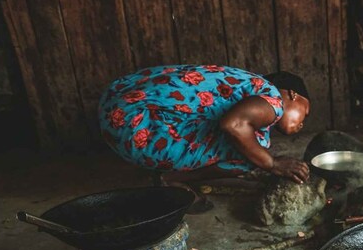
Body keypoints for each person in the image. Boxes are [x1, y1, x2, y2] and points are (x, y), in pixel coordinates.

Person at [98, 65, 311, 209]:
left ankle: (166, 178)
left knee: (253, 144)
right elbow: (234, 124)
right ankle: (170, 180)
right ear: (293, 94)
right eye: (305, 113)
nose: (302, 123)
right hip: (133, 125)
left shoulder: (245, 84)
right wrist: (272, 164)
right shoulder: (272, 98)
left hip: (115, 105)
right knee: (251, 154)